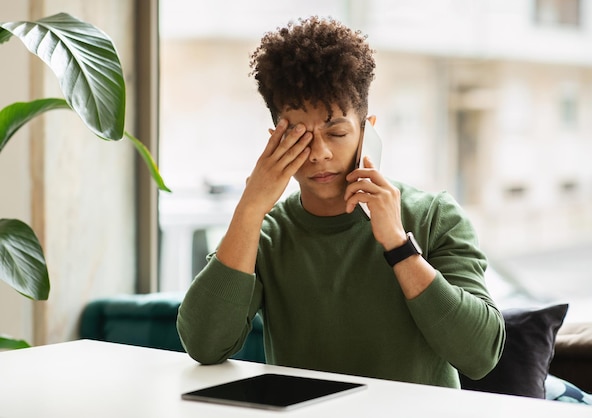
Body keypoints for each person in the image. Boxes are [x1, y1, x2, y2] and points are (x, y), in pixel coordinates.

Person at [177, 16, 505, 388]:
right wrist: (249, 210)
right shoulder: (265, 235)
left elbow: (481, 355)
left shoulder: (433, 216)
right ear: (275, 140)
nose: (319, 153)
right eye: (299, 136)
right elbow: (204, 345)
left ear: (368, 129)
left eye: (336, 132)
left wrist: (398, 246)